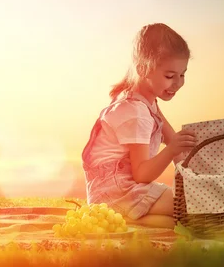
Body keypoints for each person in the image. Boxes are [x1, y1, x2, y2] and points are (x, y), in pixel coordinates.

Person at [81, 23, 196, 228]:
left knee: (184, 217)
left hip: (110, 193)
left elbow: (171, 138)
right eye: (170, 76)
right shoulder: (136, 112)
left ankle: (125, 220)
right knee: (193, 205)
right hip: (118, 192)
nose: (178, 83)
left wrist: (196, 175)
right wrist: (171, 151)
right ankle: (120, 216)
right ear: (143, 69)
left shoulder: (146, 101)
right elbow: (142, 174)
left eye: (182, 74)